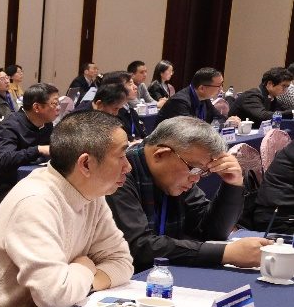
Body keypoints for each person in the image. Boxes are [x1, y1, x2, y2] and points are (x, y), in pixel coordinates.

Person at [0, 110, 134, 307]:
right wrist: (86, 267)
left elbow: (121, 262)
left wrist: (86, 282)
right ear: (86, 164)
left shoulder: (91, 194)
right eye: (121, 156)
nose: (128, 166)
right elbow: (54, 295)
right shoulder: (35, 201)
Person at [106, 116, 268, 271]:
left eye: (203, 172)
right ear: (161, 154)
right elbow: (139, 246)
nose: (196, 179)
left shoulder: (177, 176)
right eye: (194, 169)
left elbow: (211, 232)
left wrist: (232, 185)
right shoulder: (119, 175)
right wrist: (224, 254)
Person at [0, 83, 59, 197]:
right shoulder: (10, 126)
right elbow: (5, 159)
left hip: (37, 181)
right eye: (54, 103)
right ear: (36, 107)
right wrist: (38, 150)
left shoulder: (46, 124)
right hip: (7, 188)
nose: (58, 108)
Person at [159, 67, 238, 126]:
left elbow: (218, 118)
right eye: (218, 85)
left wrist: (229, 121)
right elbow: (190, 129)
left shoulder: (204, 99)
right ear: (201, 88)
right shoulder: (179, 102)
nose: (221, 89)